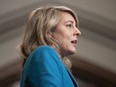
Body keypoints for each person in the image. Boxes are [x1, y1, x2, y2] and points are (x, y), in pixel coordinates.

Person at [19, 5, 81, 87]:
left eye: (76, 26)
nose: (78, 32)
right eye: (69, 25)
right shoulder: (44, 53)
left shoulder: (48, 58)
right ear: (48, 31)